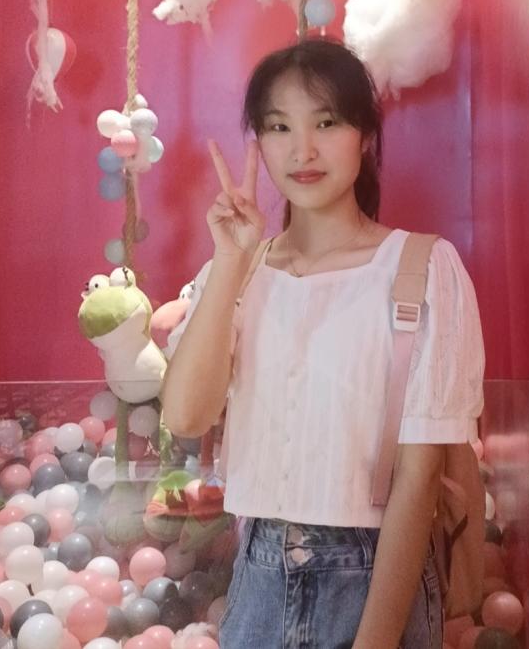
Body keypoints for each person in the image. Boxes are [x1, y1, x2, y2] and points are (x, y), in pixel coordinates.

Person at [161, 38, 485, 649]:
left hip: (376, 578)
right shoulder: (239, 272)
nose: (302, 150)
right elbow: (185, 415)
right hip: (256, 575)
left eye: (327, 122)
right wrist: (230, 261)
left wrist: (374, 642)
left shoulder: (423, 269)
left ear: (365, 135)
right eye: (279, 126)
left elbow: (418, 480)